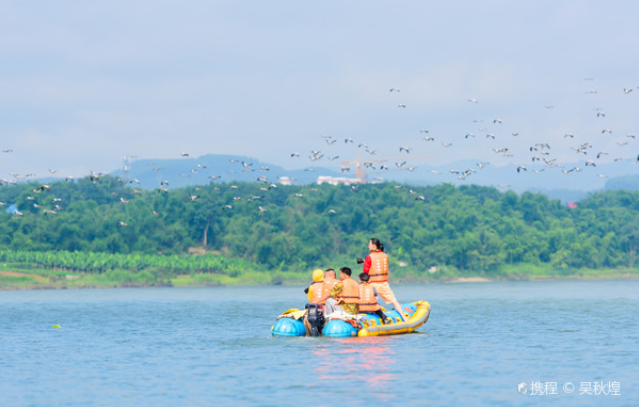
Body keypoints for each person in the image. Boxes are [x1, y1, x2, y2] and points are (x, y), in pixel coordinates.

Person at [362, 238, 408, 322]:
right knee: (394, 301)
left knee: (365, 300)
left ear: (373, 246)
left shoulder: (369, 257)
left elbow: (365, 272)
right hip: (384, 283)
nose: (368, 246)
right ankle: (404, 318)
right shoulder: (385, 255)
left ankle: (371, 317)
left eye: (369, 244)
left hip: (373, 284)